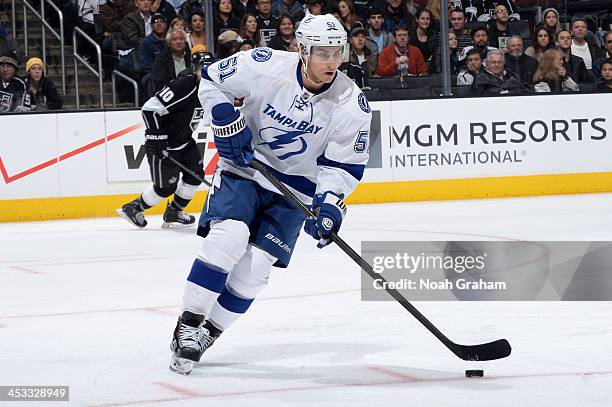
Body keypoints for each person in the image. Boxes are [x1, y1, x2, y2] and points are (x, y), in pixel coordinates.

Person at [169, 14, 371, 375]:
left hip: (295, 190)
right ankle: (189, 322)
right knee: (227, 238)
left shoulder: (350, 103)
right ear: (301, 50)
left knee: (255, 270)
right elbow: (212, 80)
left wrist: (330, 204)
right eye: (322, 53)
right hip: (245, 169)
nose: (331, 61)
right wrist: (221, 115)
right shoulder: (264, 65)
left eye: (336, 52)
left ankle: (209, 332)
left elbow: (342, 166)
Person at [117, 49, 214, 229]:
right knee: (165, 189)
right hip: (165, 145)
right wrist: (156, 137)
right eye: (202, 69)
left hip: (185, 142)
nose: (206, 74)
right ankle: (132, 208)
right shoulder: (183, 86)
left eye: (210, 69)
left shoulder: (211, 89)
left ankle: (174, 212)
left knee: (196, 176)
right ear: (195, 69)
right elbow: (149, 109)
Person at [151, 28, 191, 92]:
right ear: (168, 44)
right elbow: (159, 84)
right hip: (171, 94)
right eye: (174, 39)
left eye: (181, 39)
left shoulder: (191, 56)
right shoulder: (162, 59)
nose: (178, 42)